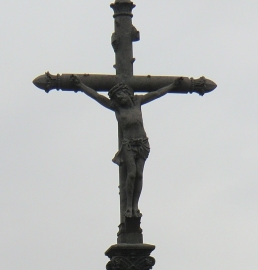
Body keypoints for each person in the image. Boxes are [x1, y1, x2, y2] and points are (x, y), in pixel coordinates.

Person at [72, 77, 185, 223]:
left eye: (120, 94)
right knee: (131, 174)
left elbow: (157, 93)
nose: (119, 98)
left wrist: (172, 86)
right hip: (129, 145)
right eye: (116, 97)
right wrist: (81, 85)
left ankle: (135, 205)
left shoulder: (138, 102)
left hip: (143, 144)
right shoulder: (117, 108)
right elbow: (97, 96)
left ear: (127, 93)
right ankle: (128, 207)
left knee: (139, 175)